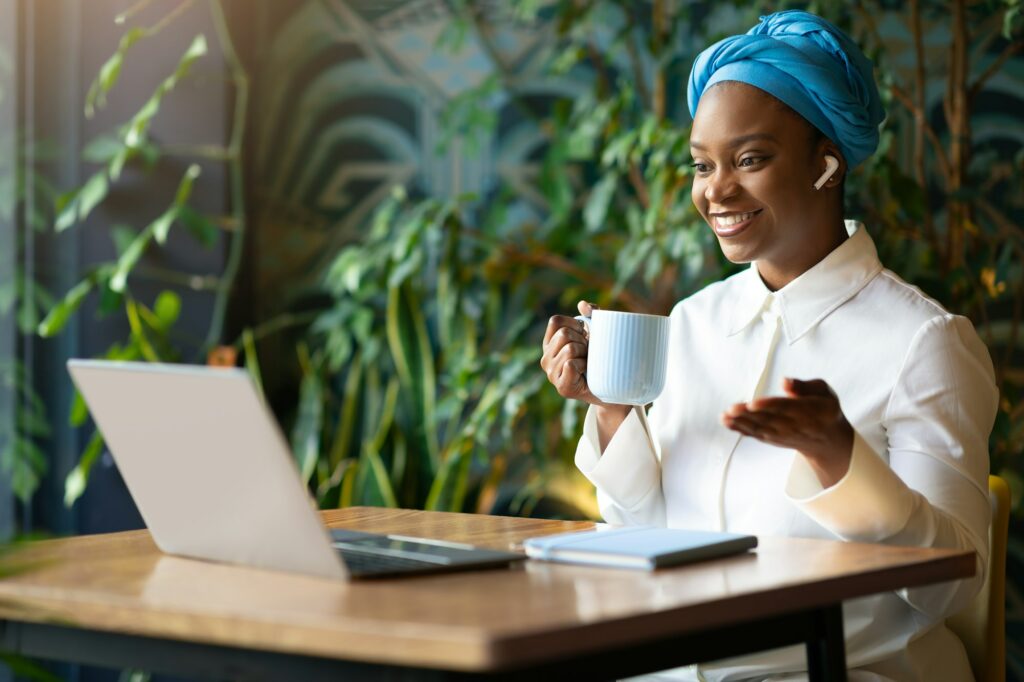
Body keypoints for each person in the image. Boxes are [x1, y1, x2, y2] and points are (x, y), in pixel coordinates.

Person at [539, 10, 998, 682]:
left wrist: (841, 462)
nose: (715, 190)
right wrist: (612, 410)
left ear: (827, 163)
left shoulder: (924, 343)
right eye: (702, 164)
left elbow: (955, 587)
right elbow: (645, 529)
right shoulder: (693, 323)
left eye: (750, 159)